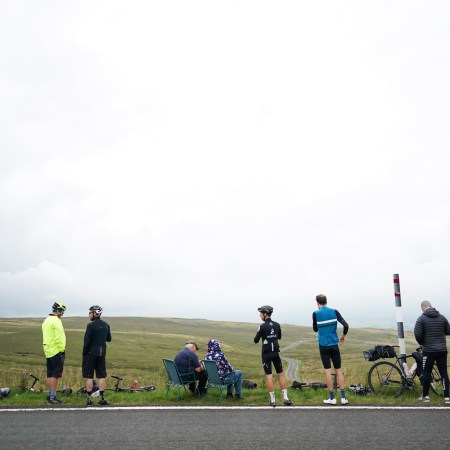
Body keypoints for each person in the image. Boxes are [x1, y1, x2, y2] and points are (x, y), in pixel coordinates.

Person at [313, 294, 349, 405]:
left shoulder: (315, 313)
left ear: (318, 303)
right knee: (338, 370)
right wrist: (343, 336)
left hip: (323, 345)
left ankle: (332, 398)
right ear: (326, 301)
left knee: (327, 371)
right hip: (334, 344)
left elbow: (315, 329)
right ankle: (343, 398)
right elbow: (346, 325)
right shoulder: (334, 311)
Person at [254, 305, 292, 407]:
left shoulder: (262, 326)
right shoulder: (277, 325)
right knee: (280, 375)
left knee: (269, 377)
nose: (260, 315)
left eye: (261, 313)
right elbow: (279, 337)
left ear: (265, 314)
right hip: (275, 353)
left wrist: (262, 334)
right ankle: (286, 398)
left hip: (266, 354)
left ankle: (273, 400)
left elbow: (255, 340)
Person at [413, 300, 450, 404]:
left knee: (426, 373)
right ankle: (447, 397)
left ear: (423, 307)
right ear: (431, 306)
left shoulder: (422, 318)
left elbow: (417, 334)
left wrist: (422, 342)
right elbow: (448, 331)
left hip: (428, 351)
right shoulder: (442, 317)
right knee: (444, 373)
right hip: (442, 350)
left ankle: (426, 396)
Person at [82, 305, 112, 406]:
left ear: (95, 313)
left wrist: (84, 353)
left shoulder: (90, 326)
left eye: (90, 312)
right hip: (102, 353)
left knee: (89, 376)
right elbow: (109, 339)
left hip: (90, 353)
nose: (89, 314)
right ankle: (102, 398)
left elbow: (86, 342)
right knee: (101, 376)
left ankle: (89, 398)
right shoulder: (106, 325)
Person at [42, 301, 67, 405]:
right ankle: (53, 397)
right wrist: (62, 349)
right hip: (56, 351)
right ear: (59, 311)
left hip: (48, 350)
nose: (62, 314)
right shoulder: (56, 321)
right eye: (62, 311)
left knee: (49, 374)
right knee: (55, 375)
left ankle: (49, 396)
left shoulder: (46, 320)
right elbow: (59, 337)